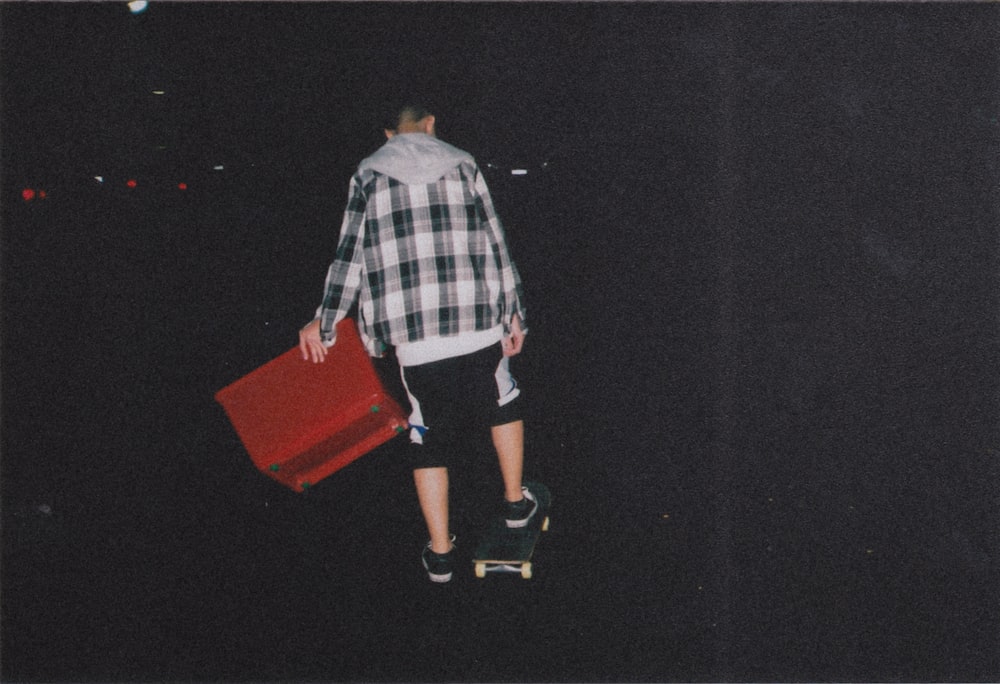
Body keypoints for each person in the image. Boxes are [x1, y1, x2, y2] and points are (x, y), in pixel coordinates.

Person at [299, 103, 537, 583]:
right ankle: (515, 504)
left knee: (425, 429)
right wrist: (515, 315)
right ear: (431, 123)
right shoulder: (463, 161)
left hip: (413, 334)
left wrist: (324, 323)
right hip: (476, 320)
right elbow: (496, 241)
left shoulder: (367, 175)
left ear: (389, 134)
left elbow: (350, 257)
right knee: (502, 396)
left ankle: (442, 554)